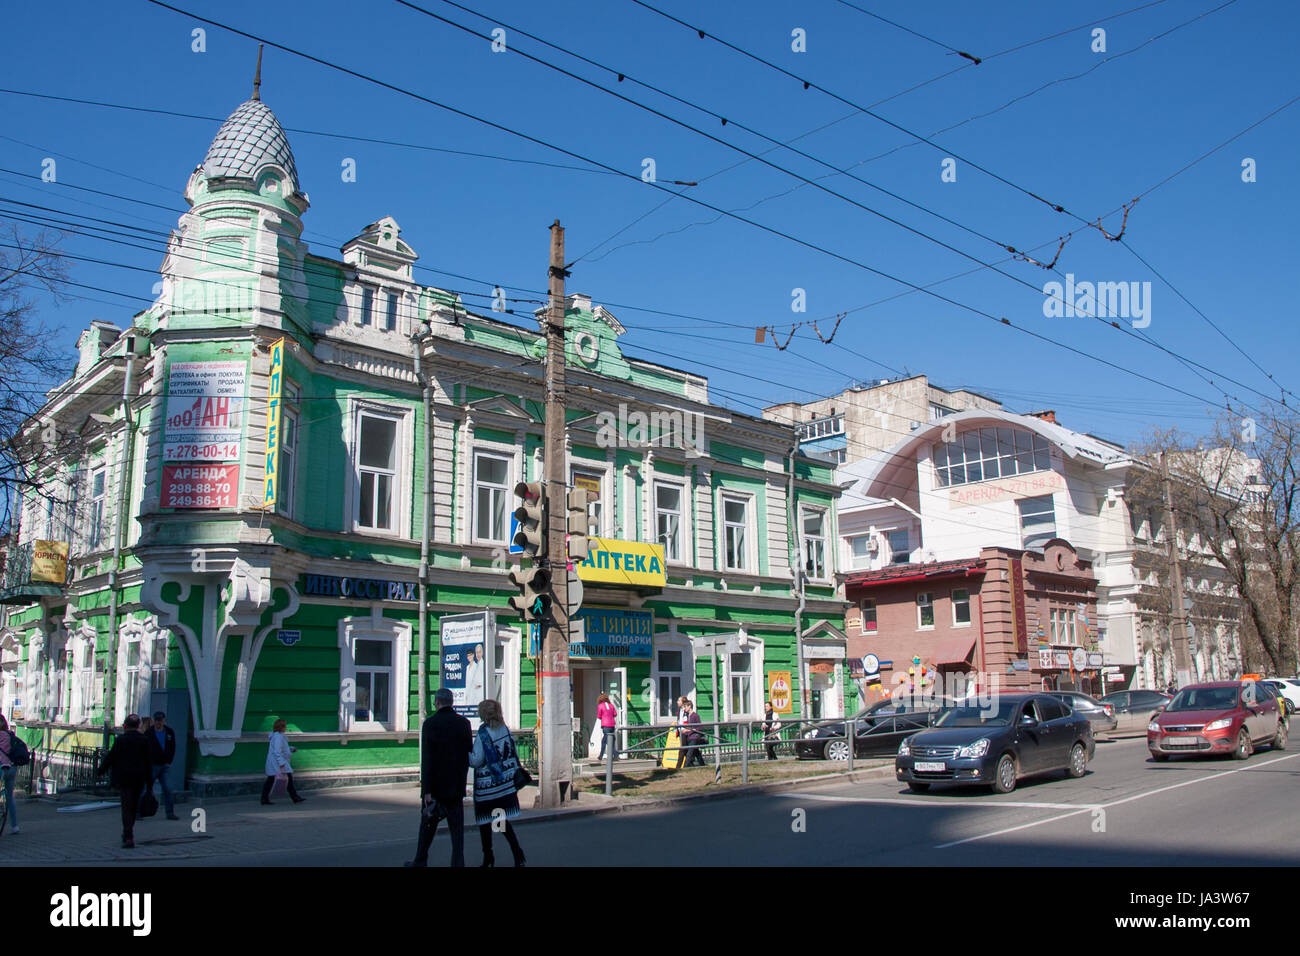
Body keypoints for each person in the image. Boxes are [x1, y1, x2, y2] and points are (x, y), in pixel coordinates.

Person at [407, 687, 472, 867]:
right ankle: (458, 863)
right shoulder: (464, 723)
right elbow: (468, 754)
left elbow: (427, 760)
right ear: (452, 703)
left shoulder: (430, 724)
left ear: (436, 703)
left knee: (427, 827)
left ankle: (420, 860)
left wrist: (426, 791)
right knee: (457, 830)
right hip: (456, 787)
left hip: (435, 789)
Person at [468, 698, 526, 867]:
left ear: (483, 714)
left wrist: (466, 755)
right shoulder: (505, 730)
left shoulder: (484, 733)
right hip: (505, 787)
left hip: (488, 788)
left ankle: (488, 857)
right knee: (501, 822)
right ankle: (517, 854)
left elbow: (477, 760)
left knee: (485, 823)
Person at [96, 714, 154, 848]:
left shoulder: (121, 740)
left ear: (125, 726)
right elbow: (148, 763)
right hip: (138, 779)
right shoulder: (144, 740)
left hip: (124, 779)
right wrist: (149, 782)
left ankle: (128, 835)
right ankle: (128, 832)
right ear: (139, 725)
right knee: (133, 806)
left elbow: (111, 758)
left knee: (126, 806)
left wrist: (100, 771)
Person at [144, 710, 179, 820]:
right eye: (157, 720)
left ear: (164, 720)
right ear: (154, 721)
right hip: (152, 765)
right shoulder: (149, 733)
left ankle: (170, 813)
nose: (159, 723)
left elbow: (172, 747)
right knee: (146, 789)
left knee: (168, 789)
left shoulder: (169, 732)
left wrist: (169, 761)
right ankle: (139, 812)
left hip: (165, 766)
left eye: (161, 720)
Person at [261, 718, 305, 805]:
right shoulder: (278, 736)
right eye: (284, 726)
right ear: (281, 727)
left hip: (276, 762)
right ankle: (295, 797)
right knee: (288, 778)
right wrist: (281, 763)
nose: (286, 728)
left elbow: (282, 749)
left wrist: (291, 749)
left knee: (271, 780)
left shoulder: (277, 736)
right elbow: (277, 751)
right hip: (278, 763)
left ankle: (264, 798)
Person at [0, 715, 21, 834]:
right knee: (10, 797)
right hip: (12, 768)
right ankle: (15, 826)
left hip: (1, 767)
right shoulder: (10, 735)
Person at [679, 698, 706, 768]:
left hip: (694, 737)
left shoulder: (695, 716)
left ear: (689, 706)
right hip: (689, 737)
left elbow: (699, 727)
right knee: (696, 752)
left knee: (689, 753)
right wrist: (685, 729)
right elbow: (689, 726)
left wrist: (688, 730)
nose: (684, 709)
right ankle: (703, 765)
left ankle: (685, 767)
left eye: (685, 707)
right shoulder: (688, 716)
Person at [597, 692, 618, 761]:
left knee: (605, 741)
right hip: (612, 725)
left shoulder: (600, 706)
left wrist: (604, 717)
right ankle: (614, 755)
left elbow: (599, 716)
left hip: (605, 725)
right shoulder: (611, 705)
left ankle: (602, 755)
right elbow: (615, 714)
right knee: (611, 741)